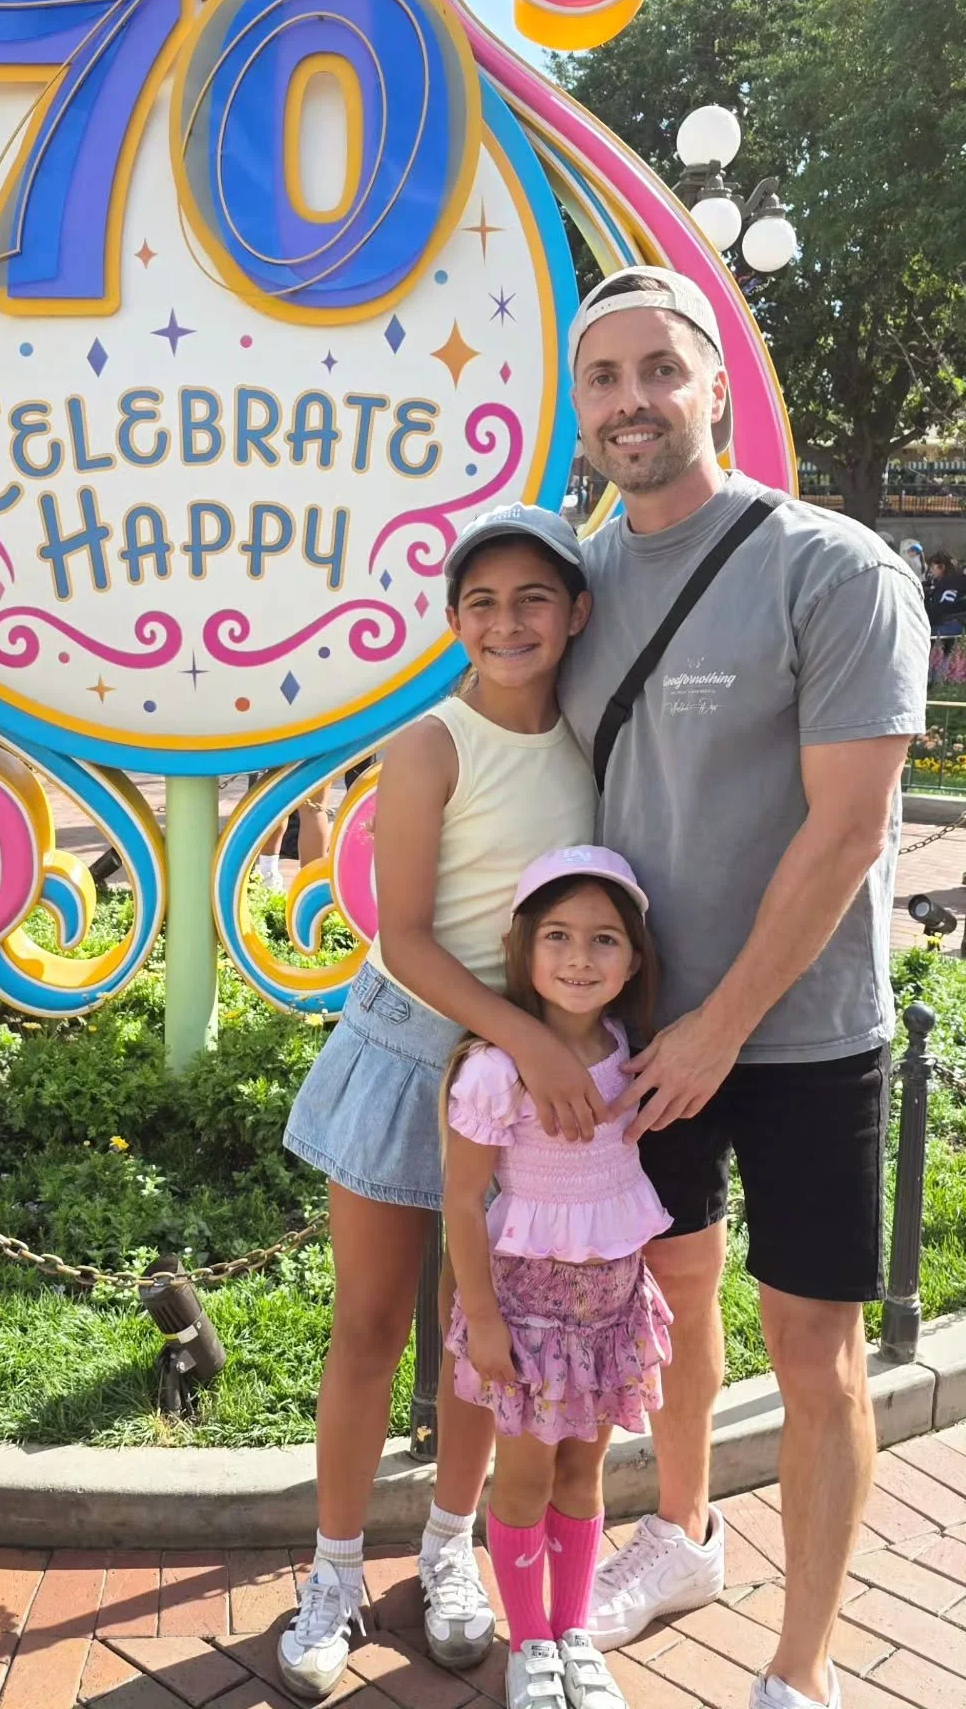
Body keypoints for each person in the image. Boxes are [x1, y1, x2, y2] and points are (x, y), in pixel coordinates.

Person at [556, 268, 930, 1709]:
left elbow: (848, 829)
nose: (633, 400)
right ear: (581, 406)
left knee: (815, 1343)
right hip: (639, 1033)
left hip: (802, 1037)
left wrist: (723, 1023)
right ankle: (684, 1532)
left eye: (661, 370)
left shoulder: (830, 568)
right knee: (673, 1294)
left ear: (715, 384)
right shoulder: (577, 582)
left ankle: (802, 1669)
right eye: (605, 378)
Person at [276, 503, 608, 1700]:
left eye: (532, 600)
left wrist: (546, 1051)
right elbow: (402, 933)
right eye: (481, 602)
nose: (506, 622)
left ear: (574, 613)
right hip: (415, 1049)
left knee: (487, 1343)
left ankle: (450, 1547)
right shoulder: (430, 743)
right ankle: (332, 1569)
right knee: (368, 1328)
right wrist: (525, 1038)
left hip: (531, 1083)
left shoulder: (595, 746)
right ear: (453, 618)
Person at [442, 846, 671, 1709]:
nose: (580, 958)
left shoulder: (629, 1051)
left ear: (635, 959)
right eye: (560, 937)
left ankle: (573, 1631)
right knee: (529, 1480)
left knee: (584, 1477)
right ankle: (528, 1643)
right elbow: (463, 1202)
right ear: (524, 952)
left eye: (604, 939)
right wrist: (487, 1322)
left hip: (609, 1313)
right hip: (529, 1321)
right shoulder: (495, 1071)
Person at [924, 552, 966, 637]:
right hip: (953, 624)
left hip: (951, 625)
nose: (931, 570)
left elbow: (940, 608)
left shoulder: (946, 584)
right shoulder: (942, 583)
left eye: (932, 567)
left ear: (942, 567)